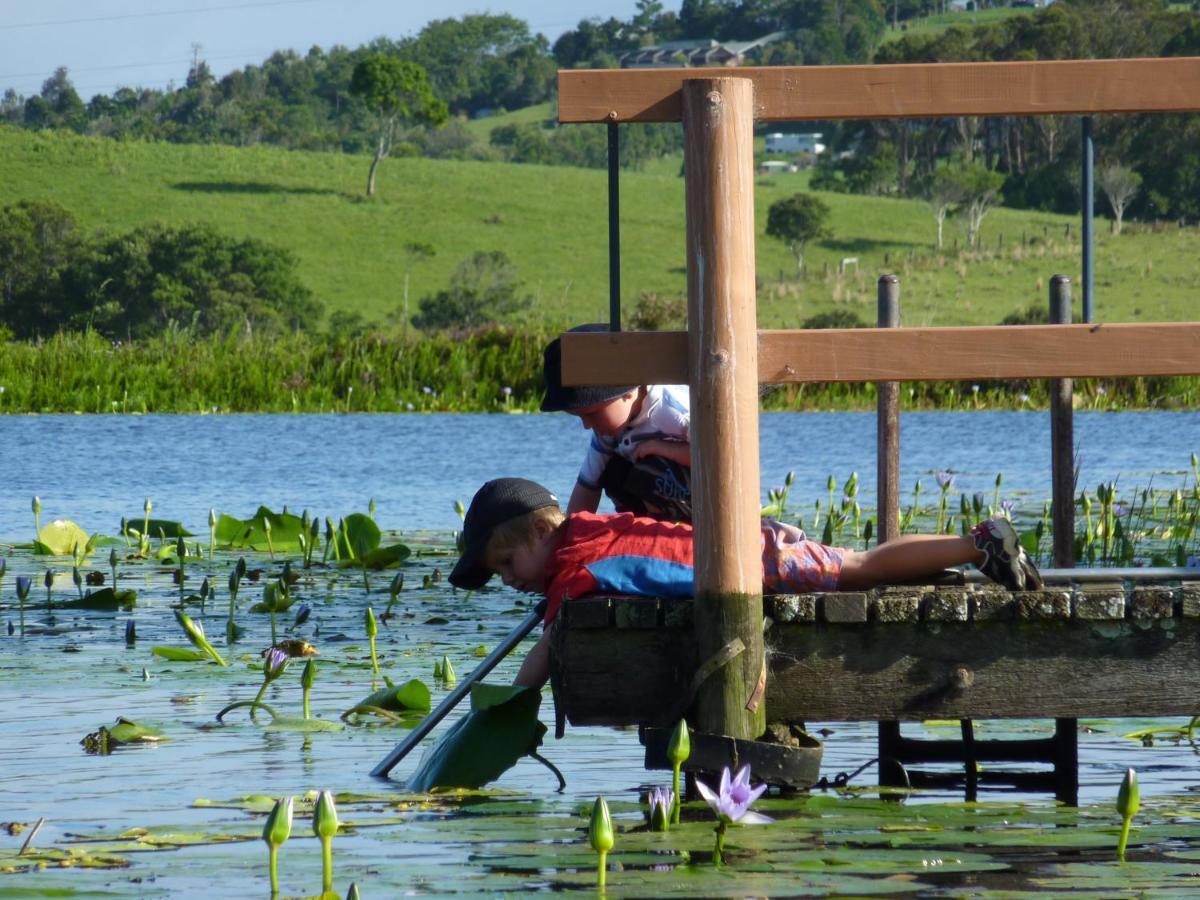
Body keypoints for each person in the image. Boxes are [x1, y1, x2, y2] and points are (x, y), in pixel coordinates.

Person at [448, 477, 1044, 689]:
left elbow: (547, 652)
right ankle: (970, 550)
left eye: (506, 565)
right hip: (745, 545)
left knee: (857, 571)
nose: (508, 582)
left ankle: (977, 542)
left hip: (752, 563)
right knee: (859, 561)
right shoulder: (587, 531)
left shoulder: (573, 568)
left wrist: (509, 703)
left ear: (535, 533)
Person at [541, 324, 691, 521]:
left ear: (628, 392)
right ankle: (636, 528)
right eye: (580, 417)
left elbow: (714, 456)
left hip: (698, 497)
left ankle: (674, 533)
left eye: (592, 414)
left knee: (651, 469)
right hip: (652, 501)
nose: (587, 425)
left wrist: (662, 447)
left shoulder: (673, 410)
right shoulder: (607, 433)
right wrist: (570, 537)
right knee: (611, 471)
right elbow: (587, 485)